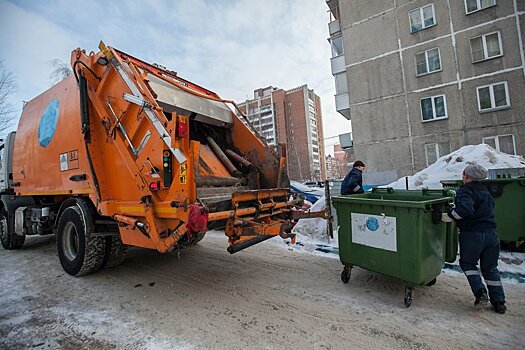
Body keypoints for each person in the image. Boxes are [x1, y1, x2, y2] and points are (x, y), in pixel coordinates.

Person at [447, 164, 506, 314]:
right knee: (490, 268)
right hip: (491, 235)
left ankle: (480, 293)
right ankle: (499, 302)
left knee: (468, 264)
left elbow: (465, 210)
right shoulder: (486, 192)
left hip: (473, 235)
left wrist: (450, 215)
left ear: (466, 176)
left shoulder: (465, 191)